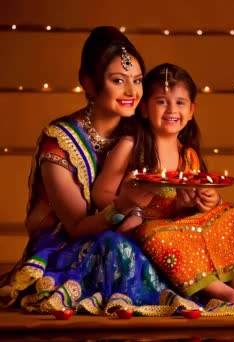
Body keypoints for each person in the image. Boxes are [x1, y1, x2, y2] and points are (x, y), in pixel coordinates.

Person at [0, 26, 176, 315]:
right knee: (116, 245)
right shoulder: (59, 143)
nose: (132, 92)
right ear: (90, 84)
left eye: (137, 80)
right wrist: (124, 205)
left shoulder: (138, 130)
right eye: (119, 81)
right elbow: (77, 227)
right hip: (66, 245)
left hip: (128, 229)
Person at [92, 63, 234, 306]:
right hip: (147, 227)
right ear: (144, 108)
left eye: (180, 103)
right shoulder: (131, 146)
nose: (171, 109)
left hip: (182, 224)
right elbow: (100, 194)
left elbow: (192, 201)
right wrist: (129, 205)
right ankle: (225, 295)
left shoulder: (188, 155)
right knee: (157, 235)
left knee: (231, 213)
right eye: (161, 101)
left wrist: (208, 201)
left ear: (191, 111)